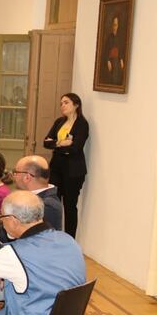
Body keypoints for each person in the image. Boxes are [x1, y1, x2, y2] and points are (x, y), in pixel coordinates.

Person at [43, 93, 88, 238]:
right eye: (61, 103)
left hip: (73, 171)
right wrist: (61, 143)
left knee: (69, 206)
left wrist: (56, 144)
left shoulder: (82, 124)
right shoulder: (59, 122)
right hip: (56, 168)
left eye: (66, 102)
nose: (62, 105)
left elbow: (75, 148)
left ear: (76, 105)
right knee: (52, 203)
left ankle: (69, 240)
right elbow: (46, 142)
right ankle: (51, 236)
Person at [11, 155, 62, 230]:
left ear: (27, 177)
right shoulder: (35, 198)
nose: (14, 176)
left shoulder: (47, 205)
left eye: (16, 172)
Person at [99, 15, 125, 86]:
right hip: (110, 61)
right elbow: (106, 52)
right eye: (113, 25)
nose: (114, 27)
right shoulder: (109, 38)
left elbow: (120, 51)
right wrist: (107, 61)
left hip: (117, 61)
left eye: (116, 25)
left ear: (118, 26)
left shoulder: (119, 38)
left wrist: (121, 59)